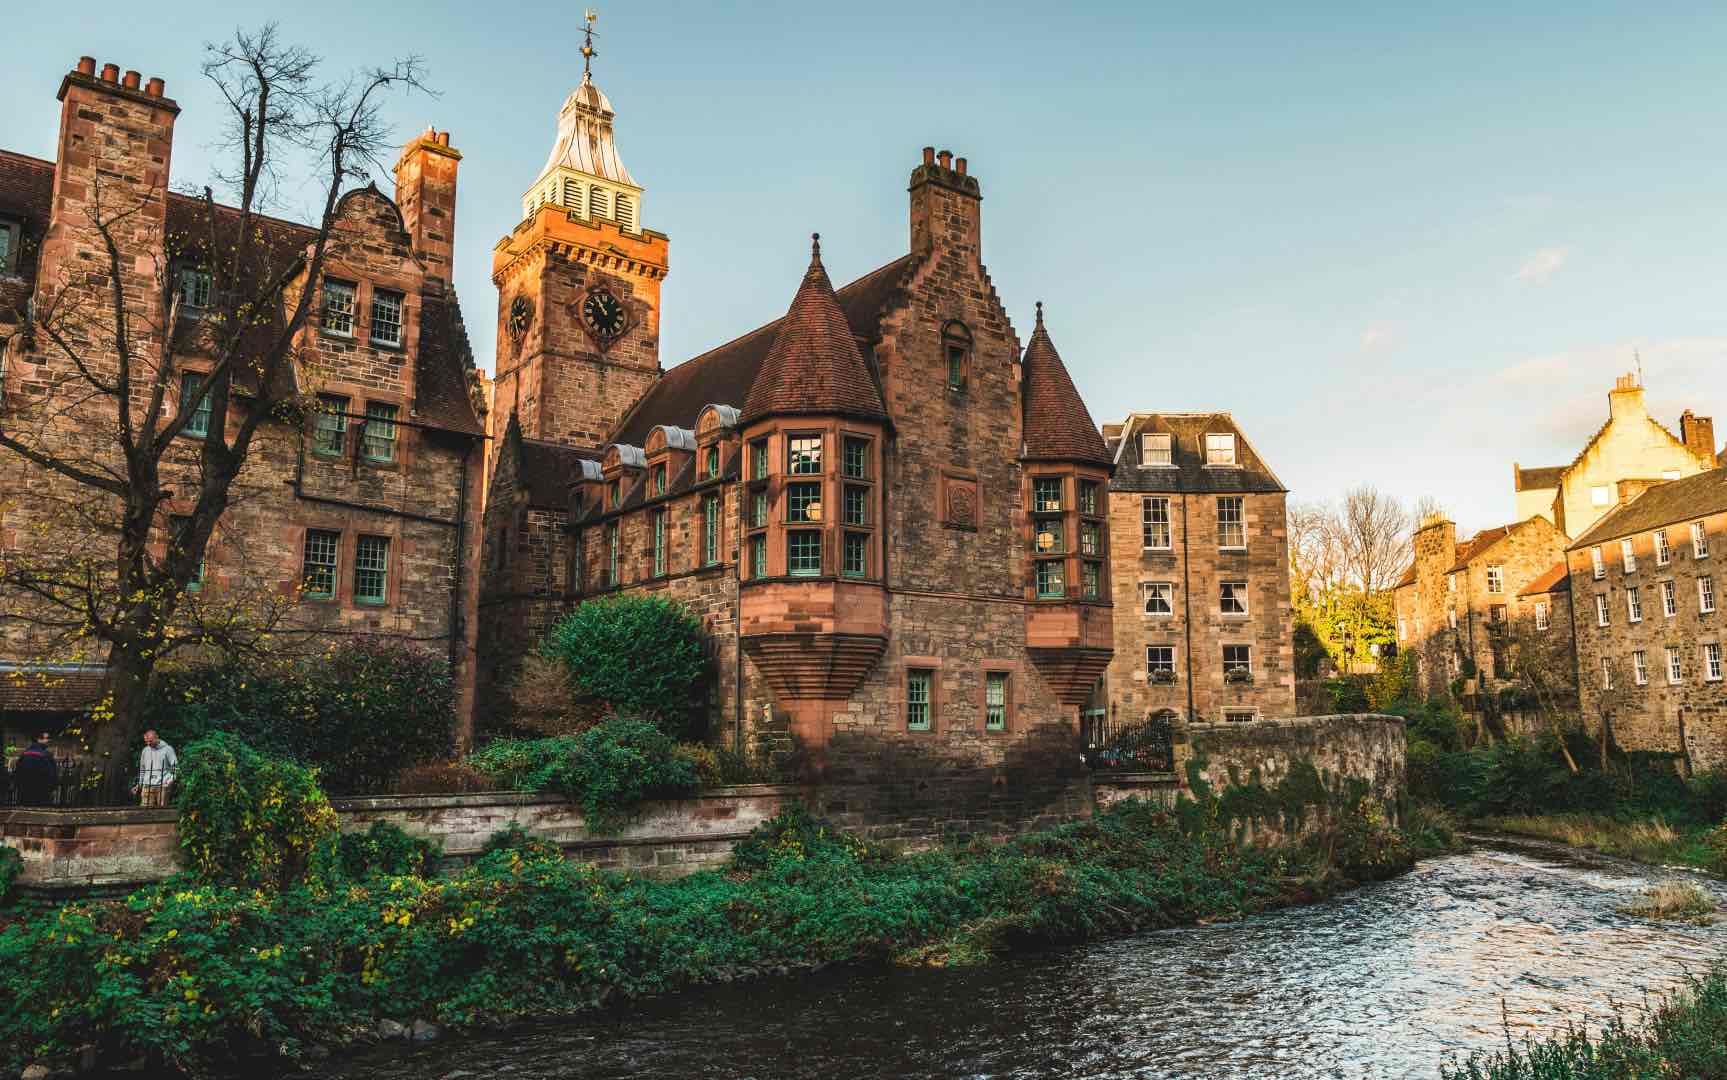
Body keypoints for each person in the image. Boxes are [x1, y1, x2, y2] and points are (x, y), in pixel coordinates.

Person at [11, 733, 59, 807]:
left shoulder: (24, 754)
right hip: (42, 796)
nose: (48, 740)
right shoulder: (46, 755)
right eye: (46, 738)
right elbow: (52, 775)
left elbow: (17, 774)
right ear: (39, 739)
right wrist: (53, 789)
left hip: (24, 795)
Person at [134, 730, 178, 808]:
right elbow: (142, 769)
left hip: (163, 785)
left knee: (162, 811)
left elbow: (175, 767)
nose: (148, 744)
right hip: (147, 785)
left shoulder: (168, 749)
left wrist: (170, 781)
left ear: (157, 737)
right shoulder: (145, 750)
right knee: (144, 811)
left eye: (150, 741)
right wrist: (139, 784)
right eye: (146, 742)